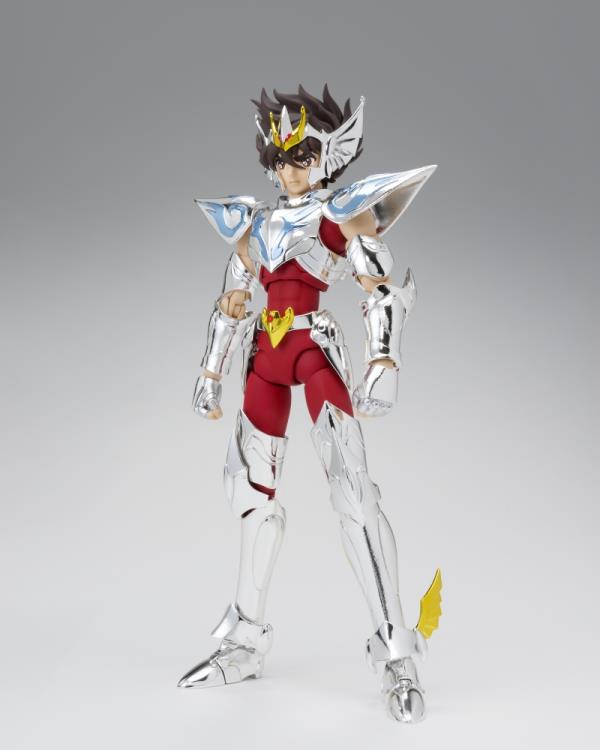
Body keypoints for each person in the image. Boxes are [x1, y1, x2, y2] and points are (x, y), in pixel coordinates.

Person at [177, 85, 442, 723]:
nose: (289, 169)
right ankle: (244, 641)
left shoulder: (341, 213)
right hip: (264, 358)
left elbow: (379, 285)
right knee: (250, 497)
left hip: (314, 350)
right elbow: (233, 302)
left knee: (353, 493)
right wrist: (210, 371)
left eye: (302, 155)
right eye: (280, 157)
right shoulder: (254, 225)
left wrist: (383, 361)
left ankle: (397, 654)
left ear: (330, 156)